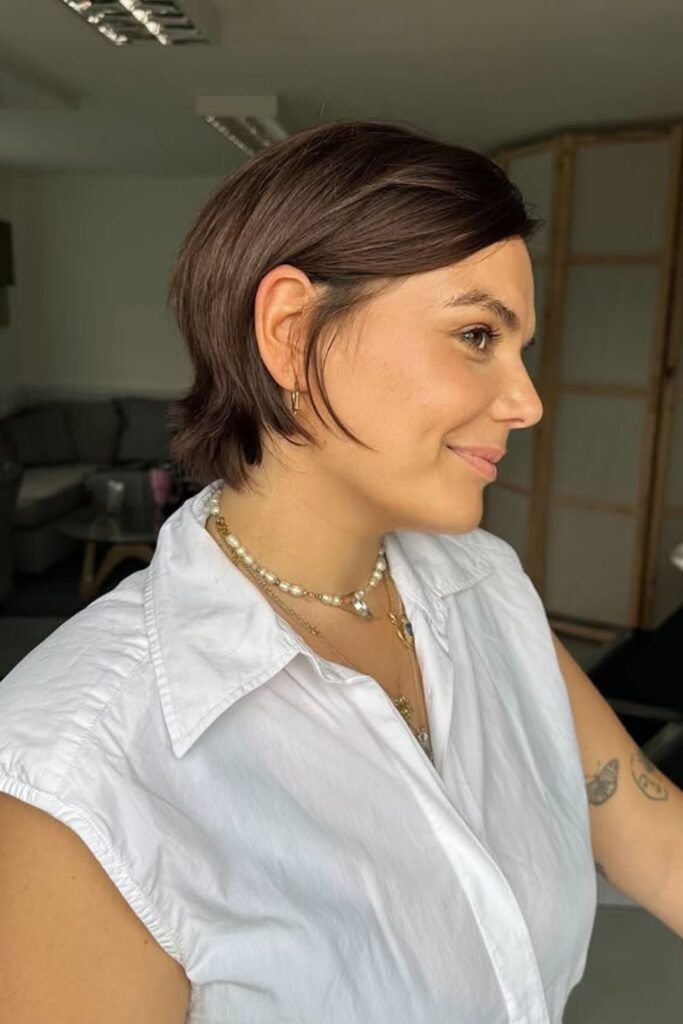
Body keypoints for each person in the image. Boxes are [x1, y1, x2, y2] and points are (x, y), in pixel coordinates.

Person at [0, 120, 597, 1023]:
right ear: (291, 330)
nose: (525, 402)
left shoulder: (482, 587)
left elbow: (649, 828)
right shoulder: (77, 776)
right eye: (476, 334)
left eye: (519, 350)